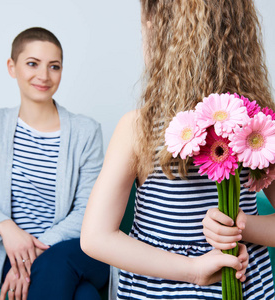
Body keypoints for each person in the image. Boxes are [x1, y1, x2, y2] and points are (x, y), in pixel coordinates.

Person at [81, 0, 275, 299]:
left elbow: (96, 236)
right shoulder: (140, 128)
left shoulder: (259, 128)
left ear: (157, 33)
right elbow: (95, 237)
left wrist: (241, 225)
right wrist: (191, 268)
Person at [0, 27, 109, 300]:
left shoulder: (86, 131)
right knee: (84, 296)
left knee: (55, 263)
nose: (44, 76)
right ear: (12, 67)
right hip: (11, 257)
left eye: (54, 66)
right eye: (32, 64)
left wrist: (34, 252)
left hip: (75, 252)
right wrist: (7, 229)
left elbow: (88, 210)